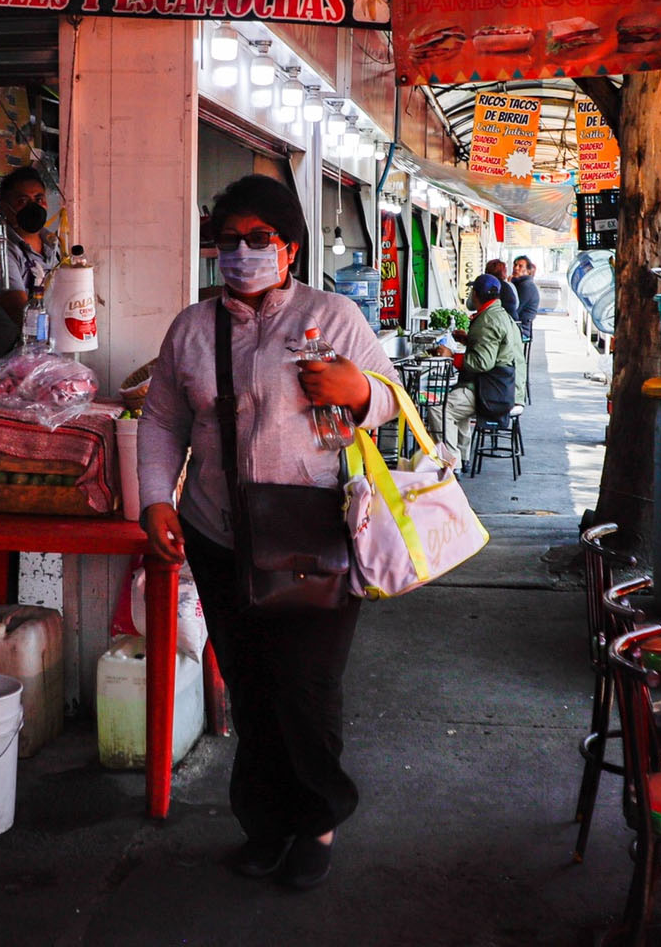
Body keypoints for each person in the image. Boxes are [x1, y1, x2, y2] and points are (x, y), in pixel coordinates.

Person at [137, 175, 399, 891]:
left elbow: (392, 399)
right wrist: (156, 498)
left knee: (305, 689)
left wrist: (359, 392)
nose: (244, 251)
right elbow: (162, 419)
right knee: (250, 689)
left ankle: (316, 823)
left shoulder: (334, 315)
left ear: (290, 247)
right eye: (229, 240)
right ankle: (264, 824)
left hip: (315, 537)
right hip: (218, 535)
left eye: (260, 238)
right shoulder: (192, 328)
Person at [441, 274, 527, 451]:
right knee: (457, 403)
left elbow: (482, 363)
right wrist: (469, 340)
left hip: (496, 391)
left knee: (441, 409)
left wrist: (451, 356)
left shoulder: (488, 320)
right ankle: (463, 457)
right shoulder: (499, 314)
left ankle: (449, 462)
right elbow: (495, 348)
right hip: (506, 386)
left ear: (475, 294)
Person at [0, 165, 57, 320]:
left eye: (39, 199)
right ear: (4, 208)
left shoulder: (55, 245)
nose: (33, 206)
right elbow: (24, 318)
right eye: (22, 201)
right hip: (20, 336)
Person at [510, 256, 541, 338]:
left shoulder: (526, 286)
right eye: (515, 265)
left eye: (520, 266)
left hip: (521, 330)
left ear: (528, 271)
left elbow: (514, 310)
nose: (516, 268)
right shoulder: (518, 284)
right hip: (514, 327)